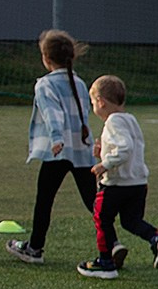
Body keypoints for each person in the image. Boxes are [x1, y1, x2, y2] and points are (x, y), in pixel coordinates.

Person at [7, 30, 95, 266]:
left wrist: (56, 139)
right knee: (92, 200)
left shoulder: (45, 84)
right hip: (82, 150)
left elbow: (52, 114)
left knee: (44, 199)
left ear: (46, 58)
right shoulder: (79, 82)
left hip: (59, 151)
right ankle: (112, 243)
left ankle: (35, 248)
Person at [78, 75, 158, 279]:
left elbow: (125, 148)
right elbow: (130, 147)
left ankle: (106, 263)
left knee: (101, 217)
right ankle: (156, 238)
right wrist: (102, 152)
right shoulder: (130, 119)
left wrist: (105, 164)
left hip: (116, 184)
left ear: (101, 102)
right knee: (131, 220)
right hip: (138, 183)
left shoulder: (113, 121)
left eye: (93, 102)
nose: (93, 107)